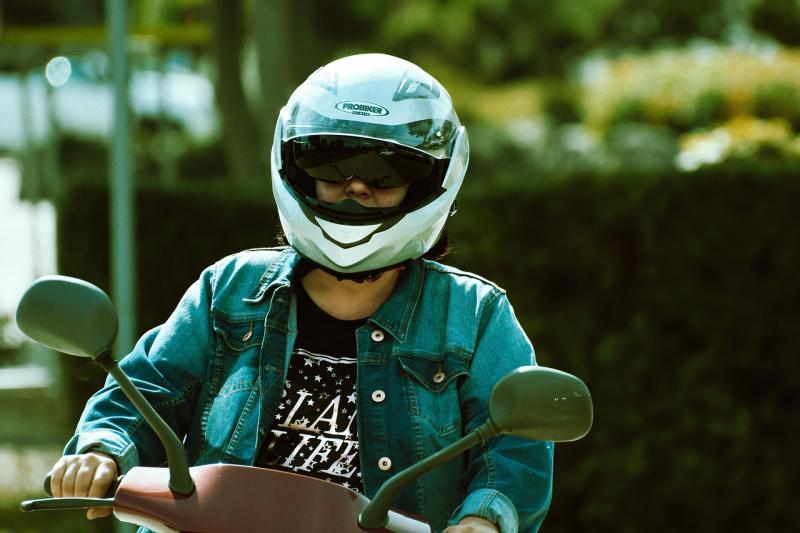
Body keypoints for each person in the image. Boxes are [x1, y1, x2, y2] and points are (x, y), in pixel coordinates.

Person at [49, 54, 554, 532]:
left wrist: (484, 518)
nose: (355, 187)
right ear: (293, 162)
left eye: (387, 172)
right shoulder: (229, 291)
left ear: (435, 178)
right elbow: (148, 390)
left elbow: (514, 445)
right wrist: (102, 449)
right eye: (330, 163)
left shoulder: (473, 317)